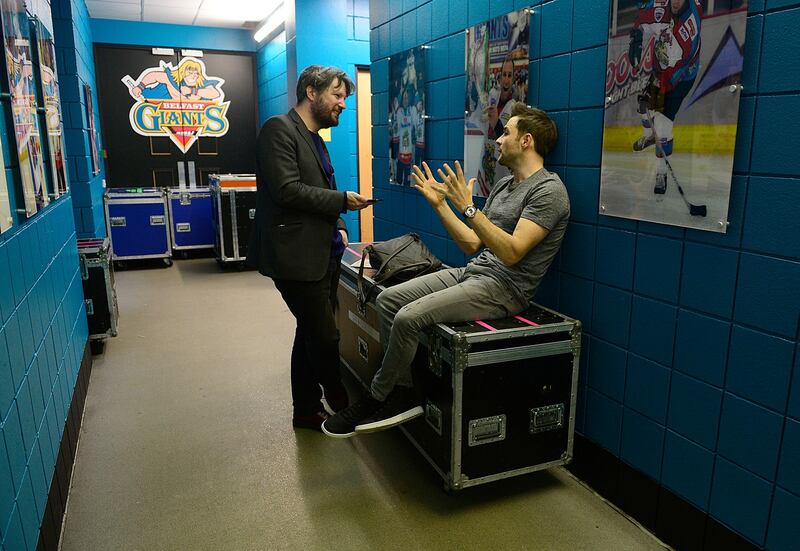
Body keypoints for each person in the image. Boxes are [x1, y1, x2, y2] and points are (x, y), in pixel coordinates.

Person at [322, 104, 570, 438]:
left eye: (506, 132)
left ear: (527, 141)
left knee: (409, 318)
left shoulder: (549, 191)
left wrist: (468, 207)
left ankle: (375, 398)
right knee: (390, 300)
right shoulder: (504, 185)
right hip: (474, 271)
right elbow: (470, 243)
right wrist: (441, 205)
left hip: (505, 289)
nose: (498, 139)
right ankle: (407, 389)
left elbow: (511, 253)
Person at [247, 65, 371, 431]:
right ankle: (339, 397)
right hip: (295, 258)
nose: (343, 104)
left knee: (307, 332)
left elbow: (325, 189)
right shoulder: (278, 130)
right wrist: (342, 202)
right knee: (325, 335)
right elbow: (287, 190)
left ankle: (305, 409)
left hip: (325, 253)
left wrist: (343, 224)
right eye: (337, 94)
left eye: (345, 96)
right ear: (311, 92)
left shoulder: (315, 137)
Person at [628, 0, 702, 195]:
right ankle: (649, 137)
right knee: (644, 107)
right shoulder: (662, 4)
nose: (676, 2)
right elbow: (643, 15)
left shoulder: (687, 28)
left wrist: (660, 89)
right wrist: (635, 37)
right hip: (662, 70)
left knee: (662, 126)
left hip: (681, 77)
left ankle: (661, 174)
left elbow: (680, 65)